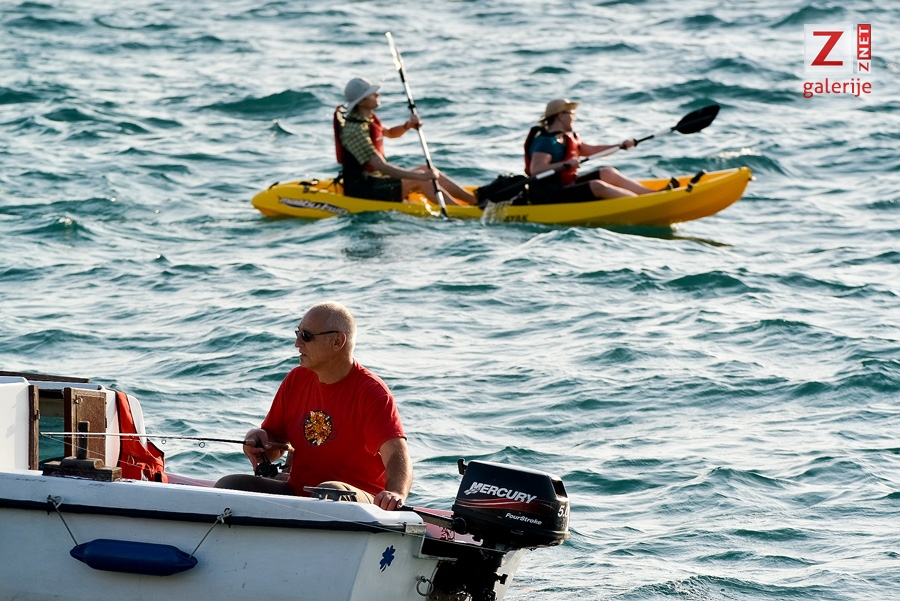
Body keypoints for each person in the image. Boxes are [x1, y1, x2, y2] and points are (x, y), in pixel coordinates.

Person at [215, 302, 412, 511]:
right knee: (229, 485)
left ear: (337, 341)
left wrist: (396, 494)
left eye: (306, 336)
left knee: (329, 492)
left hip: (355, 504)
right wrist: (259, 441)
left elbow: (397, 455)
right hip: (299, 494)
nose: (297, 343)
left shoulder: (372, 393)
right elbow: (275, 447)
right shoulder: (296, 379)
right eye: (297, 333)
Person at [335, 77, 475, 206]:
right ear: (361, 102)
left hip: (376, 181)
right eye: (372, 94)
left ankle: (475, 200)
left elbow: (390, 133)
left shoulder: (367, 119)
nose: (377, 94)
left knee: (425, 169)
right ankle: (461, 213)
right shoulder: (355, 131)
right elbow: (381, 166)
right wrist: (420, 177)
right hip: (364, 190)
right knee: (423, 179)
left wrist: (407, 126)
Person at [525, 98, 661, 204]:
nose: (574, 118)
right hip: (549, 194)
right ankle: (643, 203)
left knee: (607, 173)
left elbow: (594, 150)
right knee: (596, 186)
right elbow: (536, 169)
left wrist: (620, 145)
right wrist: (565, 164)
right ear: (561, 116)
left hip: (566, 186)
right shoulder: (545, 142)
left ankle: (653, 195)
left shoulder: (566, 138)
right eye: (571, 114)